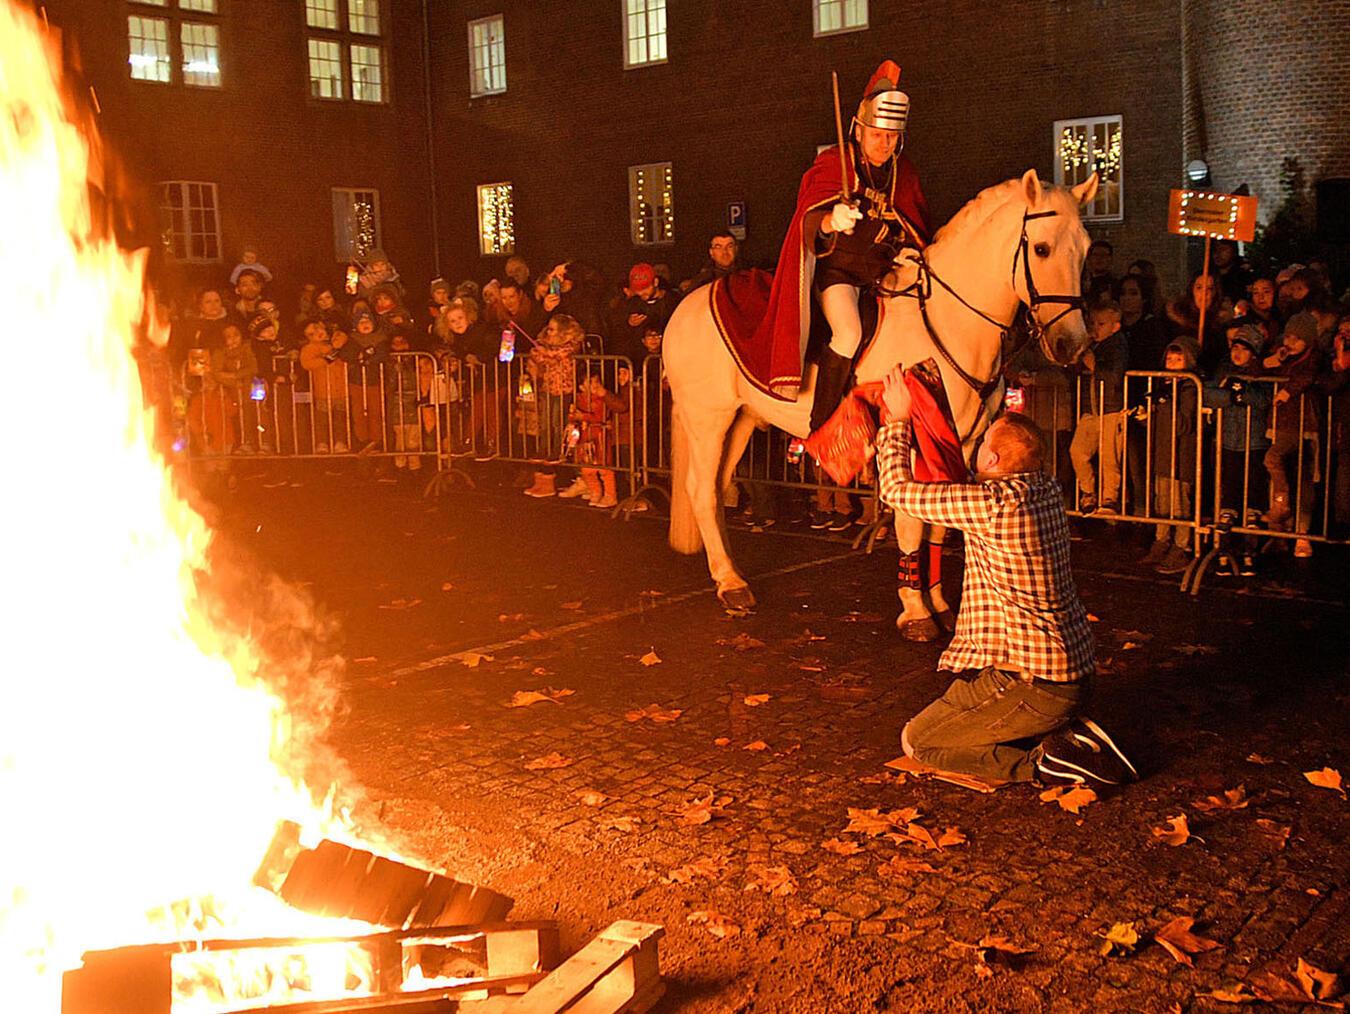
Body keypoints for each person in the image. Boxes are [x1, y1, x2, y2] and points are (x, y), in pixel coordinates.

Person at [876, 366, 1136, 787]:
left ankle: (1049, 765)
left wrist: (899, 422)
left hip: (1036, 685)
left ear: (993, 461)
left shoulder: (993, 504)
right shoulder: (1046, 488)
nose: (975, 449)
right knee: (964, 718)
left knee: (921, 743)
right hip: (1071, 673)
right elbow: (961, 483)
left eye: (981, 446)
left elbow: (894, 491)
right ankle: (1069, 734)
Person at [760, 60, 930, 425]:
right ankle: (821, 424)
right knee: (849, 332)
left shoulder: (905, 173)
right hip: (839, 275)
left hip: (883, 279)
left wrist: (910, 249)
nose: (884, 144)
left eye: (892, 137)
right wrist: (829, 219)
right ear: (859, 130)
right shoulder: (835, 162)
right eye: (876, 135)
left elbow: (915, 226)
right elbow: (808, 220)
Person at [1204, 327, 1270, 575]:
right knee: (1227, 496)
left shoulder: (1260, 372)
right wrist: (1230, 396)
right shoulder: (1223, 368)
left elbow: (1264, 399)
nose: (1238, 353)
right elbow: (1208, 392)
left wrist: (1243, 393)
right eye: (1235, 347)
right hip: (1228, 440)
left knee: (1252, 496)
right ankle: (1224, 550)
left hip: (1254, 442)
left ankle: (1248, 551)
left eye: (1244, 349)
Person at [1262, 313, 1322, 556]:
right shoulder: (1282, 355)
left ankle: (1301, 531)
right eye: (1288, 336)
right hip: (1280, 423)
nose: (1291, 342)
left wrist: (1287, 391)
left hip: (1304, 425)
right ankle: (1279, 527)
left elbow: (1306, 376)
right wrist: (1272, 360)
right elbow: (1255, 369)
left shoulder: (1314, 358)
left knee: (1301, 477)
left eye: (1298, 339)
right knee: (1277, 471)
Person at [1139, 339, 1200, 573]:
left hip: (1181, 453)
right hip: (1163, 452)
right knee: (1161, 498)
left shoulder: (1190, 388)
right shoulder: (1162, 386)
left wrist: (1165, 401)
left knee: (1180, 502)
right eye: (1169, 359)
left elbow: (1184, 425)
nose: (1172, 364)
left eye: (1178, 359)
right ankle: (1161, 540)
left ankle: (1181, 546)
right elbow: (1160, 420)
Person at [1070, 301, 1128, 512]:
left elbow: (1115, 376)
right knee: (1077, 451)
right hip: (1091, 409)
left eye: (1101, 324)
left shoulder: (1118, 345)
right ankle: (1088, 491)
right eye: (1092, 323)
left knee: (1110, 458)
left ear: (1115, 326)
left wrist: (1094, 364)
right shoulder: (1090, 345)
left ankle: (1109, 498)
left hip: (1111, 409)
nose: (1095, 328)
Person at [298, 320, 350, 453]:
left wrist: (335, 345)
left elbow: (343, 338)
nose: (317, 334)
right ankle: (322, 442)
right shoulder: (309, 348)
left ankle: (340, 442)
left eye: (317, 328)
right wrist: (324, 360)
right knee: (322, 420)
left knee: (340, 418)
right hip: (322, 391)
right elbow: (306, 363)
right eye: (311, 334)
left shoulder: (336, 338)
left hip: (341, 389)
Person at [1082, 239, 1116, 308]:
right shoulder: (1082, 284)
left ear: (1111, 259)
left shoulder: (1115, 285)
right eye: (1095, 255)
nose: (1099, 258)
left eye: (1104, 255)